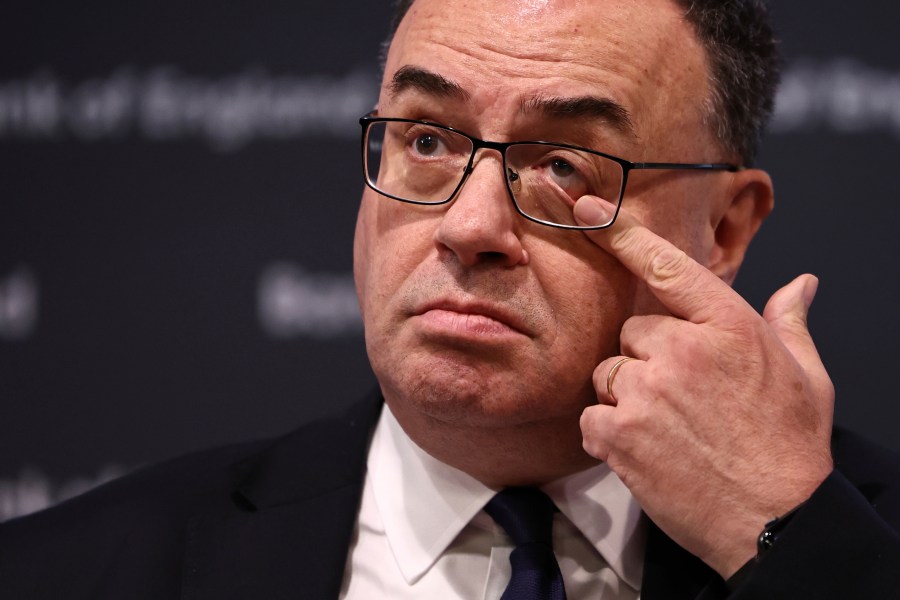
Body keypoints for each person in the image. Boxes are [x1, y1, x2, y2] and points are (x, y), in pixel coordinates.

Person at [2, 0, 899, 598]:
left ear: (726, 230)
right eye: (426, 139)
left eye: (560, 166)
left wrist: (786, 541)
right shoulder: (74, 572)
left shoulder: (852, 549)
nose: (470, 225)